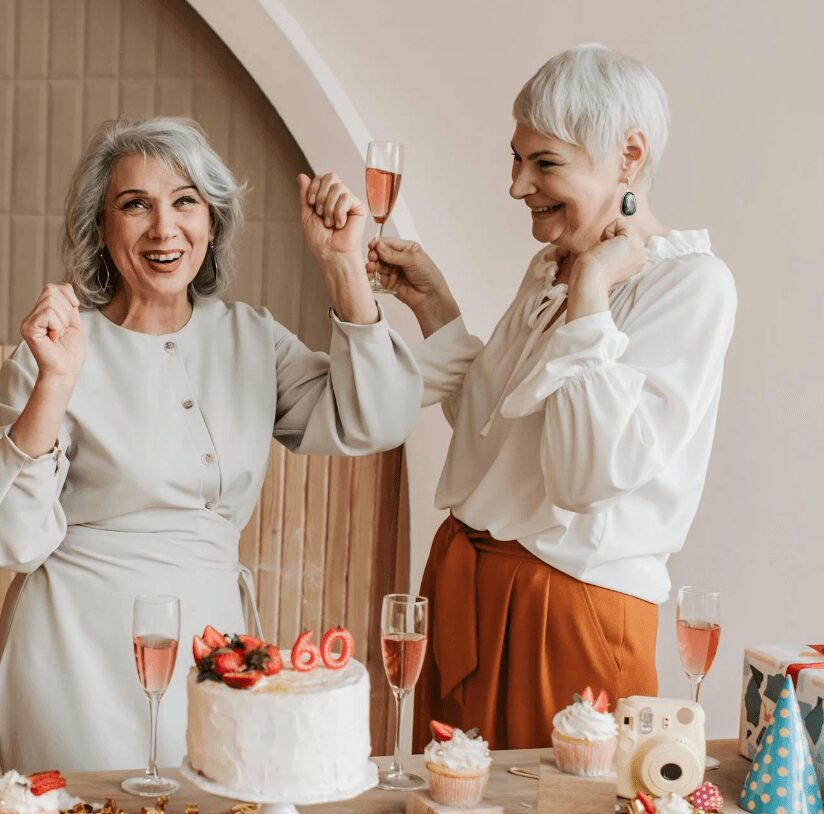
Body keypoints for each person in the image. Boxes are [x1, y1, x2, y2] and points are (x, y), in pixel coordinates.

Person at [0, 117, 422, 773]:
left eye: (185, 202)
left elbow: (381, 419)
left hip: (212, 657)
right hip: (74, 659)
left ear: (213, 222)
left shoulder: (253, 337)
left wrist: (343, 266)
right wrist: (55, 380)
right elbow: (16, 538)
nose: (164, 228)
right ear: (100, 228)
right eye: (135, 204)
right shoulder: (54, 345)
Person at [364, 45, 737, 750]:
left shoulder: (691, 285)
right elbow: (489, 430)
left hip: (568, 613)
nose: (517, 186)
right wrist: (437, 307)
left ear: (629, 156)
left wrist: (591, 298)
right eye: (517, 159)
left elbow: (585, 477)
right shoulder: (549, 265)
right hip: (463, 584)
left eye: (544, 163)